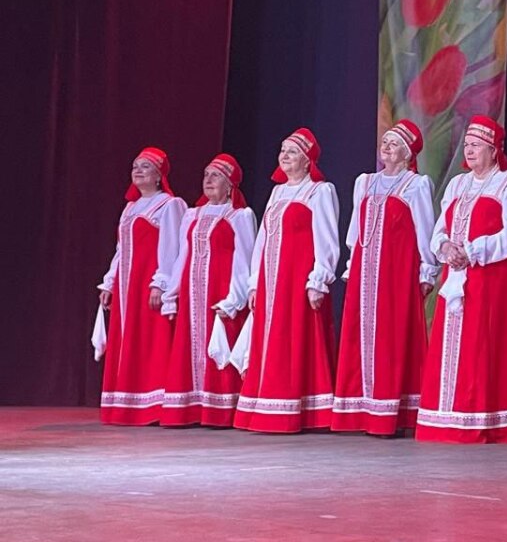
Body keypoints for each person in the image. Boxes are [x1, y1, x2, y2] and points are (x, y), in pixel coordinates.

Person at [416, 115, 507, 443]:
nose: (469, 151)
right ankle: (446, 416)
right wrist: (444, 246)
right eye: (466, 145)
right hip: (456, 276)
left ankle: (483, 417)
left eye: (476, 145)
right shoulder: (457, 185)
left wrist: (474, 250)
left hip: (491, 277)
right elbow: (440, 227)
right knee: (452, 344)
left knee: (483, 344)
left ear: (494, 150)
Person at [332, 120, 438, 436]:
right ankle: (361, 411)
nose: (386, 147)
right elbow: (356, 229)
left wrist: (426, 269)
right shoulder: (365, 182)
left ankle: (392, 412)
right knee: (359, 336)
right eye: (385, 142)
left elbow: (424, 229)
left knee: (393, 336)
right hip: (365, 273)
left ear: (408, 153)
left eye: (394, 143)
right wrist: (352, 263)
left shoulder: (416, 185)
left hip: (397, 271)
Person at [233, 128, 340, 433]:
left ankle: (301, 411)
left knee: (296, 337)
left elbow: (327, 238)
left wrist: (318, 279)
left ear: (308, 160)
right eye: (282, 150)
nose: (284, 156)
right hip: (271, 281)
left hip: (298, 280)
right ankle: (265, 406)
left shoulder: (319, 191)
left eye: (292, 151)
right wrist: (255, 283)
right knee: (270, 340)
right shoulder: (277, 192)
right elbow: (263, 240)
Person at [160, 154, 256, 427]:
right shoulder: (193, 215)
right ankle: (191, 409)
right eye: (206, 175)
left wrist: (234, 299)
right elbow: (182, 256)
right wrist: (171, 294)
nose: (209, 180)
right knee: (189, 348)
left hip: (221, 292)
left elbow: (245, 258)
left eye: (216, 176)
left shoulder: (239, 216)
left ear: (230, 184)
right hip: (192, 295)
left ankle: (220, 411)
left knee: (221, 348)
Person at [95, 148, 186, 425]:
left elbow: (172, 247)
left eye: (145, 167)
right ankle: (127, 405)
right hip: (127, 288)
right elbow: (121, 250)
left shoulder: (169, 205)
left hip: (148, 284)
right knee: (128, 339)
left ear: (159, 176)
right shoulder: (130, 208)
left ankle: (153, 405)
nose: (138, 170)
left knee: (150, 340)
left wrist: (161, 282)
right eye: (135, 166)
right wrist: (110, 281)